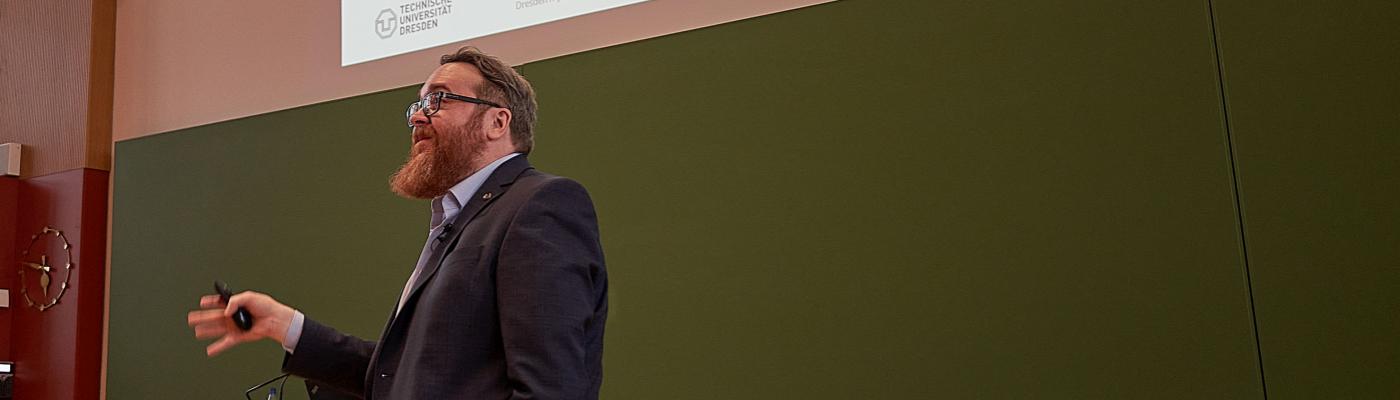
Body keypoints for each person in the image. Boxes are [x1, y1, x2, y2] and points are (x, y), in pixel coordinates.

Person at [186, 46, 608, 400]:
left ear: (498, 122)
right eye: (418, 104)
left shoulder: (539, 206)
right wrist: (286, 326)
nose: (418, 117)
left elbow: (551, 389)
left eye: (439, 100)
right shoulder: (458, 220)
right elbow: (402, 376)